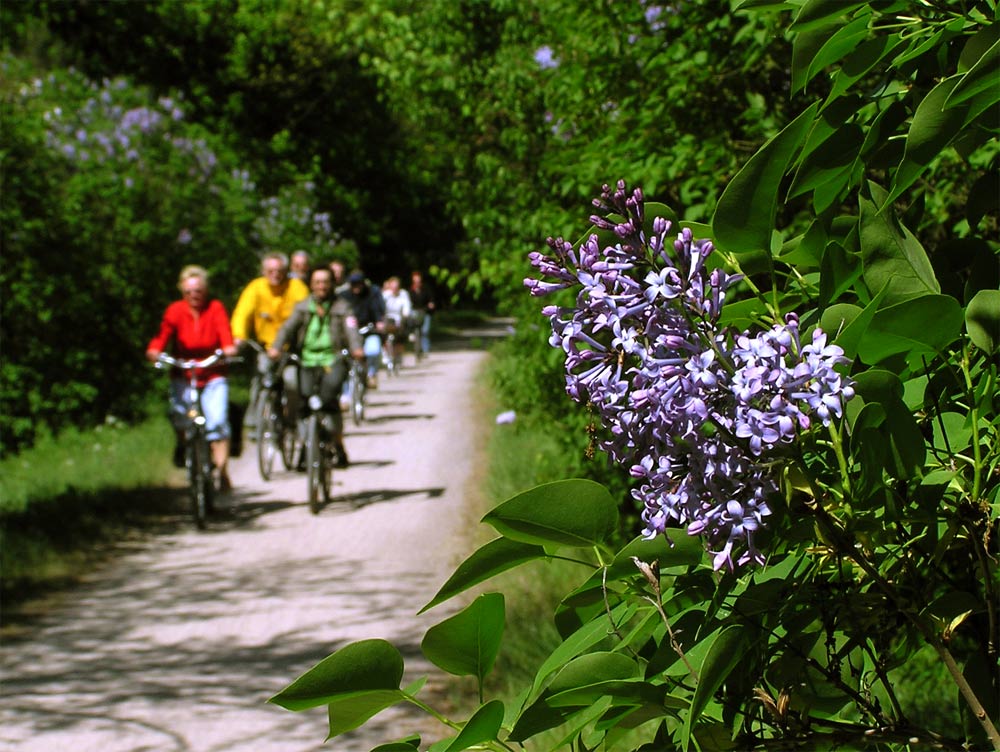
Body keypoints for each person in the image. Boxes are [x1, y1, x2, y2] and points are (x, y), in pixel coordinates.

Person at [146, 265, 238, 491]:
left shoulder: (215, 308)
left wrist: (228, 348)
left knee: (217, 422)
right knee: (180, 415)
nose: (193, 295)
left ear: (205, 290)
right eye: (188, 291)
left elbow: (225, 333)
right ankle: (184, 445)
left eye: (197, 291)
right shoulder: (175, 311)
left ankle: (222, 471)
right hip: (183, 374)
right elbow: (163, 334)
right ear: (182, 292)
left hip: (213, 372)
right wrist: (155, 350)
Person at [269, 267, 363, 468]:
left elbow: (352, 329)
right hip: (307, 361)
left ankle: (337, 444)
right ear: (311, 285)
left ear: (332, 284)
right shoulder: (303, 307)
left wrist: (356, 349)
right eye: (317, 282)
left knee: (328, 401)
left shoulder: (342, 307)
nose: (321, 286)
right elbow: (287, 328)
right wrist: (276, 347)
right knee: (304, 403)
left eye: (325, 282)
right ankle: (306, 447)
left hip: (333, 360)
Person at [230, 251, 309, 428]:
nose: (275, 274)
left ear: (286, 271)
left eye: (279, 270)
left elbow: (307, 312)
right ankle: (254, 422)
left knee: (291, 382)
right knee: (261, 377)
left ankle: (293, 420)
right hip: (265, 347)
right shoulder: (255, 288)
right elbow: (242, 314)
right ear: (263, 271)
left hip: (291, 348)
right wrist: (239, 337)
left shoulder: (296, 287)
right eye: (270, 270)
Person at [340, 270, 386, 388]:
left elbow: (377, 309)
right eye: (353, 284)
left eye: (358, 283)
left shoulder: (372, 293)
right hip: (349, 333)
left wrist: (379, 322)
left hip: (368, 329)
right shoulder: (344, 296)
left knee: (373, 350)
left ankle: (371, 374)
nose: (356, 287)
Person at [382, 276, 413, 366]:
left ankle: (398, 354)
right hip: (388, 318)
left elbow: (407, 307)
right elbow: (380, 307)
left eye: (396, 287)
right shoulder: (385, 295)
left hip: (399, 318)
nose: (395, 290)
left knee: (401, 335)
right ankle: (386, 354)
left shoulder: (404, 294)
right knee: (383, 333)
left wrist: (406, 314)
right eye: (393, 287)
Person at [408, 270, 436, 355]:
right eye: (415, 281)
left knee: (425, 331)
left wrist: (431, 304)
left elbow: (431, 299)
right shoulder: (410, 290)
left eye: (418, 281)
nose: (417, 282)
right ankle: (414, 342)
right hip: (414, 311)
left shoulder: (425, 289)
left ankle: (425, 349)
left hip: (425, 311)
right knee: (412, 327)